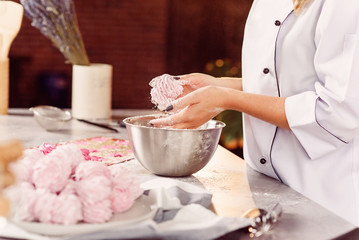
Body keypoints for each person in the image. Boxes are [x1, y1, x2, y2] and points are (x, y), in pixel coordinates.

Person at [149, 0, 359, 226]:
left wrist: (226, 98)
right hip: (266, 191)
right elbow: (282, 81)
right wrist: (221, 86)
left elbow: (334, 113)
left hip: (326, 200)